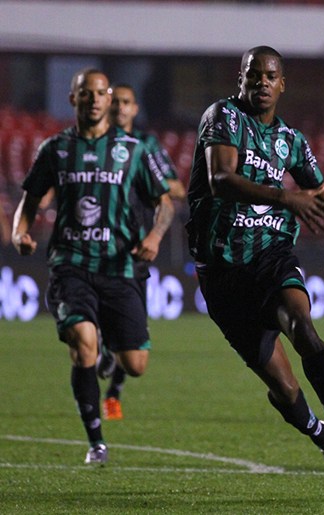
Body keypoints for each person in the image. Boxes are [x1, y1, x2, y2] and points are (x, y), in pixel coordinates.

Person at [187, 45, 324, 487]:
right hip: (221, 271)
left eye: (269, 76)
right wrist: (284, 196)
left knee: (302, 323)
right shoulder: (222, 117)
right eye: (252, 75)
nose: (261, 83)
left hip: (271, 254)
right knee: (286, 389)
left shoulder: (291, 141)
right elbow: (221, 180)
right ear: (240, 80)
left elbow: (321, 196)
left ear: (283, 84)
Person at [12, 68, 174, 463]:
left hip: (120, 266)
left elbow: (165, 203)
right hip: (72, 264)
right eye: (87, 93)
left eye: (102, 93)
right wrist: (20, 232)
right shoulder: (55, 149)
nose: (96, 100)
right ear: (74, 99)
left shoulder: (133, 150)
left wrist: (153, 237)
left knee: (135, 365)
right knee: (83, 342)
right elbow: (31, 201)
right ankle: (96, 442)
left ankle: (108, 355)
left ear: (108, 99)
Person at [98, 83, 188, 421]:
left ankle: (113, 391)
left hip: (133, 248)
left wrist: (148, 183)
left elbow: (176, 187)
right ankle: (102, 354)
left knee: (131, 338)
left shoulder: (145, 146)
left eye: (126, 102)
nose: (120, 107)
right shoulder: (92, 144)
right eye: (115, 102)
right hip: (97, 245)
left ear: (135, 109)